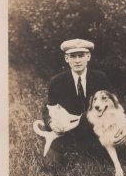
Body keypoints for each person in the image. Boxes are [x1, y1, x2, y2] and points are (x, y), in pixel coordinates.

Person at [41, 39, 114, 167]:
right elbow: (48, 107)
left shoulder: (100, 78)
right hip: (68, 133)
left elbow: (114, 103)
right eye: (73, 56)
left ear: (88, 56)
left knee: (112, 156)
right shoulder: (57, 81)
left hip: (95, 131)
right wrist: (51, 123)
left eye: (81, 55)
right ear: (66, 58)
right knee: (51, 164)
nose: (77, 60)